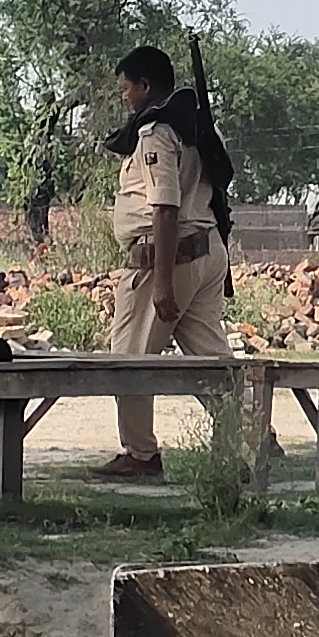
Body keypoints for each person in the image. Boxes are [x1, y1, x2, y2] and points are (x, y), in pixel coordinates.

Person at [97, 43, 237, 480]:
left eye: (127, 89)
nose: (125, 97)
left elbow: (164, 205)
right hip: (207, 249)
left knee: (130, 359)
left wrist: (160, 283)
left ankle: (140, 453)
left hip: (166, 258)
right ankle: (252, 432)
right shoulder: (194, 126)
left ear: (145, 85)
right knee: (212, 355)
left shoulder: (156, 131)